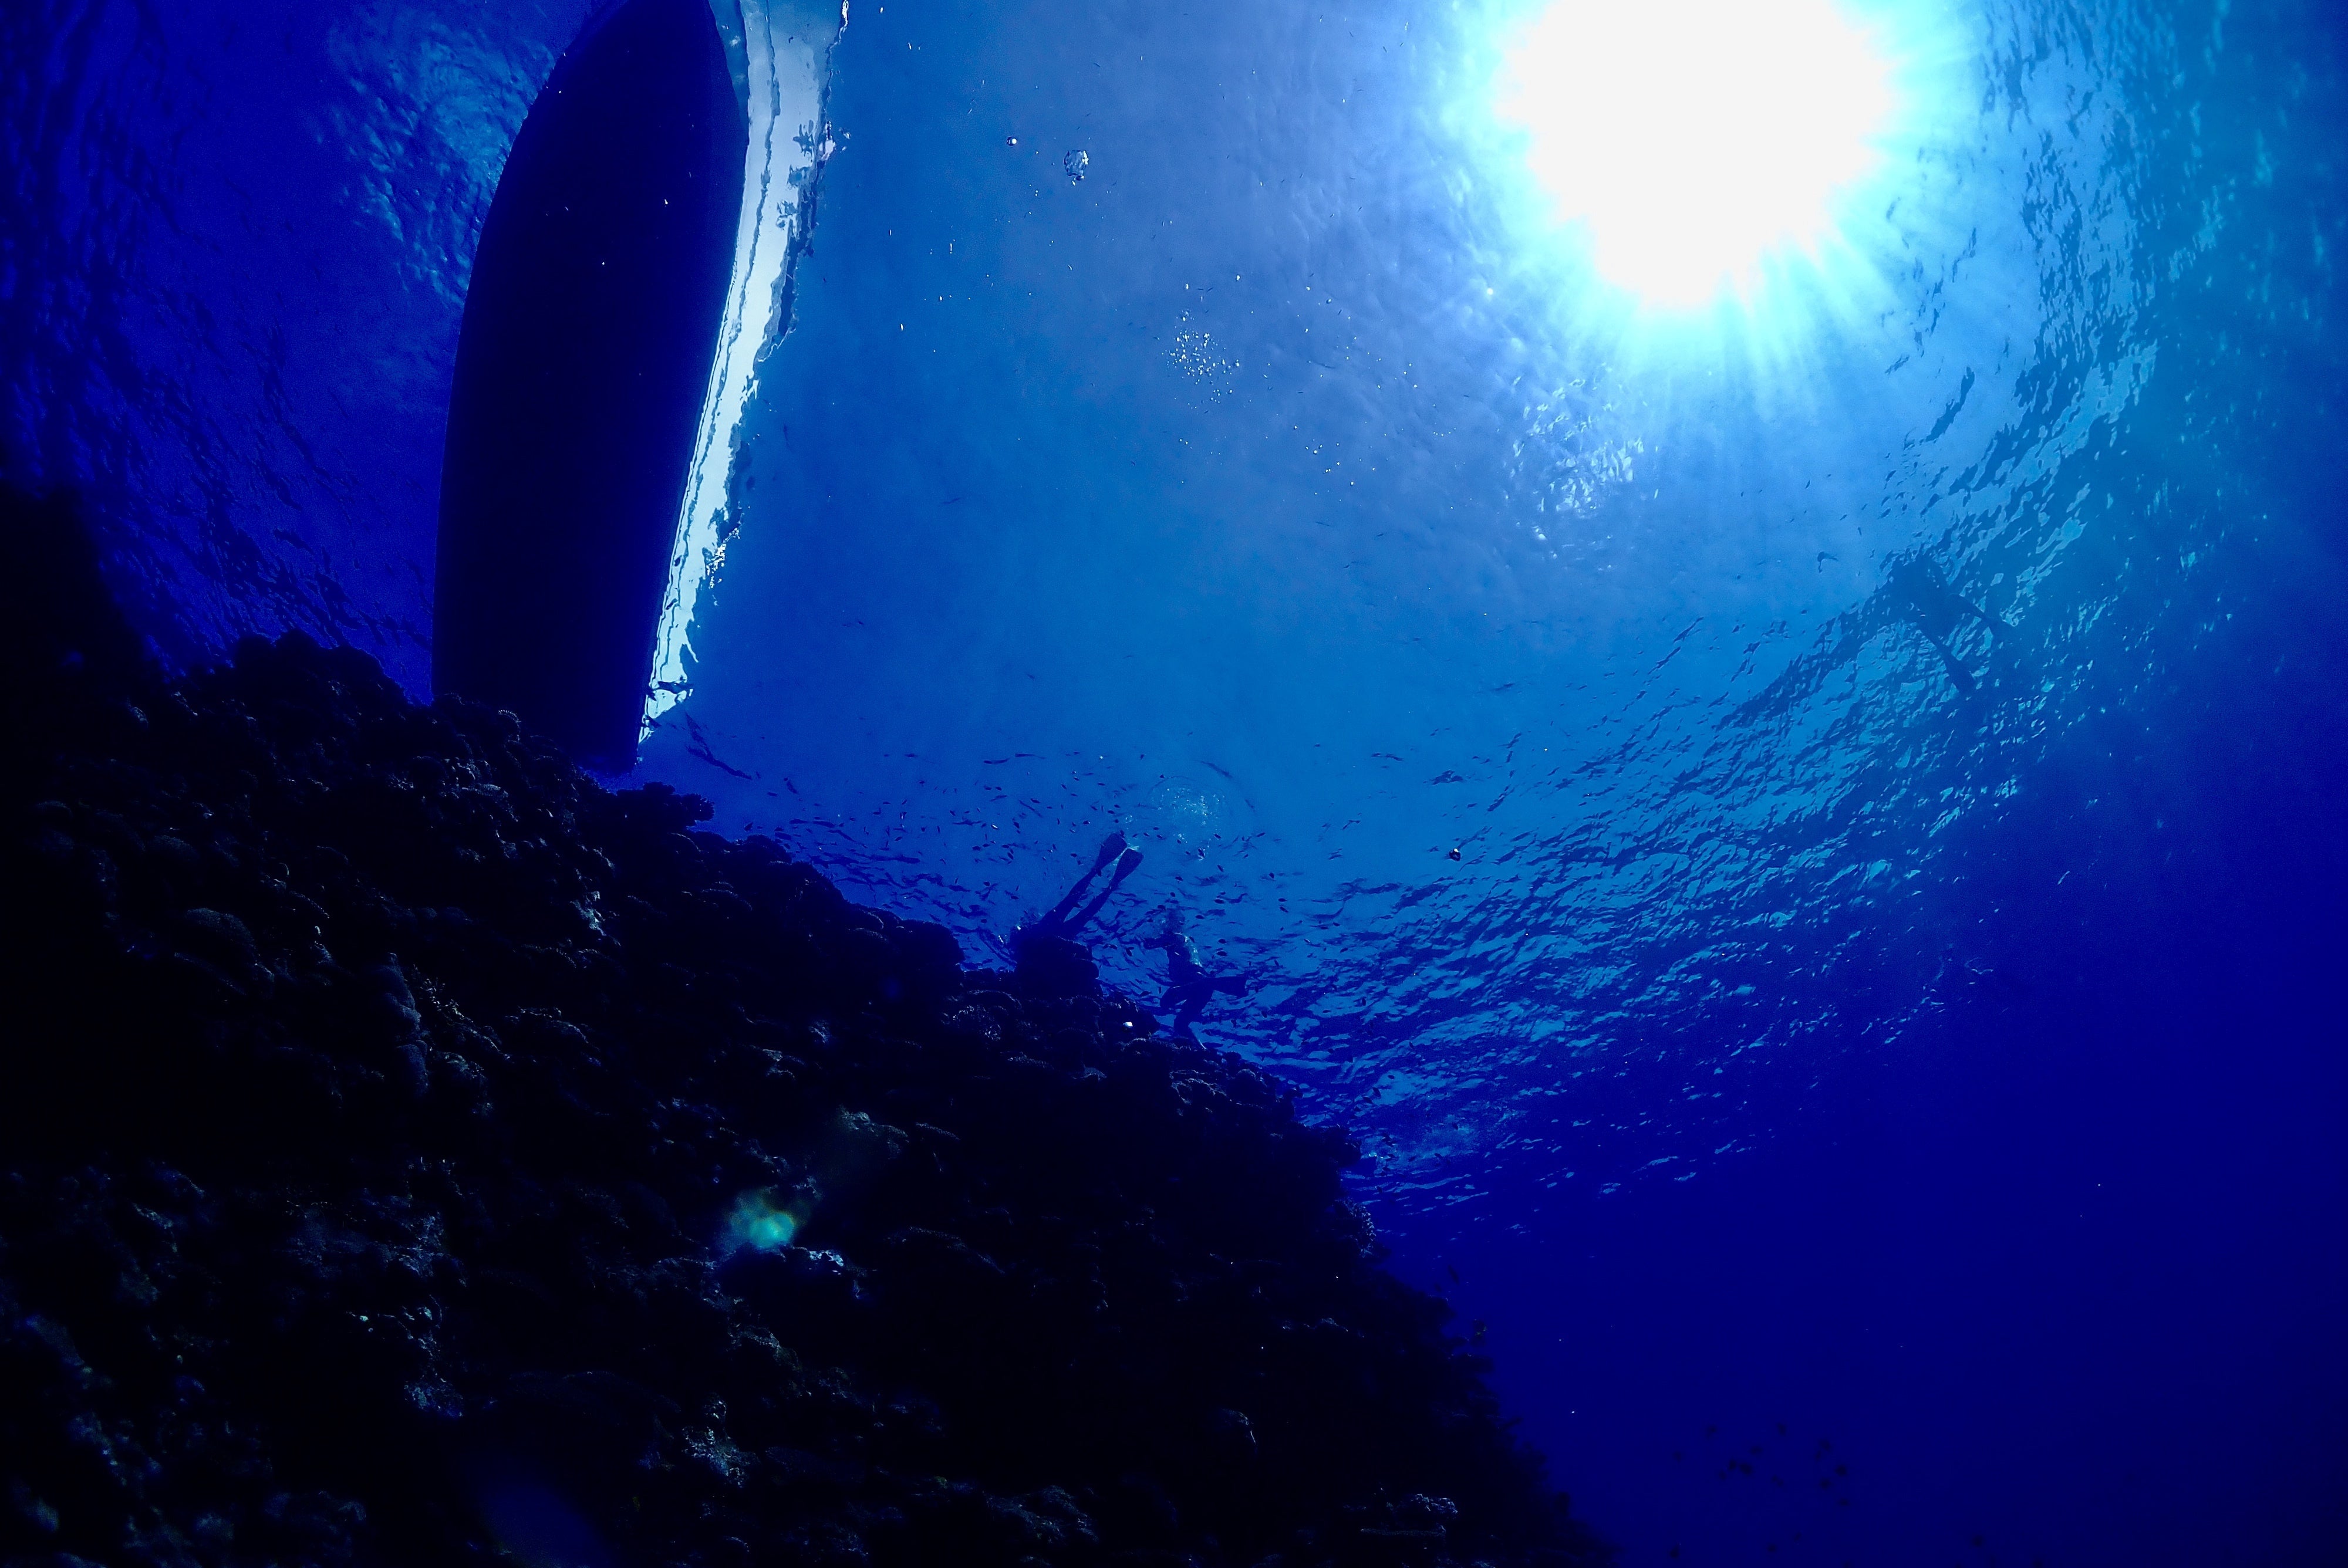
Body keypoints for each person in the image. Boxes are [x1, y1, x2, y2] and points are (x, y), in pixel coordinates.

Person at [1013, 831, 1143, 954]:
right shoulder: (1020, 955)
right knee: (1073, 904)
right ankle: (1102, 877)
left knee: (1081, 910)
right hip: (1050, 935)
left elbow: (1020, 934)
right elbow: (1019, 932)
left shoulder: (1020, 958)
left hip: (1054, 938)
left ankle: (1108, 882)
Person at [1143, 907, 1249, 1040]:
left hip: (1194, 979)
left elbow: (1150, 944)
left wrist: (1148, 933)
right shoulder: (1186, 941)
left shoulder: (1177, 937)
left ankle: (1210, 983)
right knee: (1179, 1025)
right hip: (1197, 987)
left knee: (1167, 1002)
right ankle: (1201, 1049)